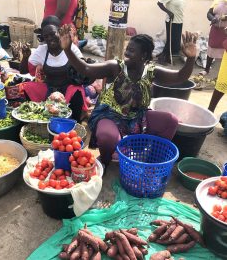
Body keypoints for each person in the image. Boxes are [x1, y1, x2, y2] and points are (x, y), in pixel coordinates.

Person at [59, 25, 197, 168]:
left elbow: (180, 77)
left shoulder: (151, 71)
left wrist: (191, 58)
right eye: (127, 49)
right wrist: (67, 49)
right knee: (108, 137)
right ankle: (105, 160)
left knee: (170, 121)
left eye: (131, 50)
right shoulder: (115, 67)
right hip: (110, 114)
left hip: (138, 117)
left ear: (143, 55)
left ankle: (151, 161)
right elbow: (86, 69)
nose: (126, 53)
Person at [20, 16, 89, 122]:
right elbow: (23, 71)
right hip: (49, 89)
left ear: (60, 32)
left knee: (77, 91)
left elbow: (84, 70)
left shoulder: (71, 48)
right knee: (26, 87)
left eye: (53, 34)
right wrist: (25, 56)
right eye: (46, 36)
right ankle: (37, 117)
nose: (50, 38)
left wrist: (69, 51)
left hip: (68, 90)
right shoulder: (42, 50)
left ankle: (74, 122)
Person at [200, 0, 227, 76]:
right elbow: (209, 13)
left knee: (225, 50)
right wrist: (212, 19)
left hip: (226, 31)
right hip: (216, 29)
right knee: (211, 48)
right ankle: (206, 69)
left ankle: (223, 73)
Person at [157, 0, 184, 64]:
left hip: (179, 20)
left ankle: (168, 57)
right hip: (172, 21)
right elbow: (159, 3)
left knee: (175, 41)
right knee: (170, 40)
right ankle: (161, 58)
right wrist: (169, 12)